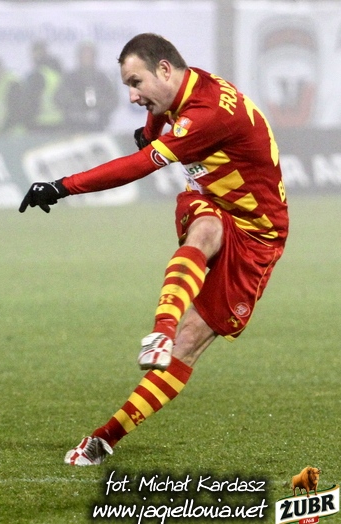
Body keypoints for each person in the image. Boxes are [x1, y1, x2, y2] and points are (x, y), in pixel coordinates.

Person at [19, 33, 288, 466]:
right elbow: (159, 115)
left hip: (258, 233)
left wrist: (62, 186)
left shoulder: (206, 115)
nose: (131, 95)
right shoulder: (188, 86)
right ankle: (161, 332)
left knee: (190, 343)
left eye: (135, 83)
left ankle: (105, 438)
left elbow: (137, 166)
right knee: (204, 229)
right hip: (213, 203)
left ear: (164, 70)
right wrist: (149, 130)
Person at [60, 41, 118, 132]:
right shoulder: (70, 78)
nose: (87, 58)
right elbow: (59, 98)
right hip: (73, 127)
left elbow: (113, 100)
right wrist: (76, 105)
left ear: (94, 57)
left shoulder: (103, 79)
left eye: (89, 55)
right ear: (79, 57)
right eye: (84, 55)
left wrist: (99, 105)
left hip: (98, 126)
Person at [21, 41, 66, 134]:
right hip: (59, 120)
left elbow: (31, 102)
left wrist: (27, 121)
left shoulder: (38, 75)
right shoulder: (57, 72)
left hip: (40, 122)